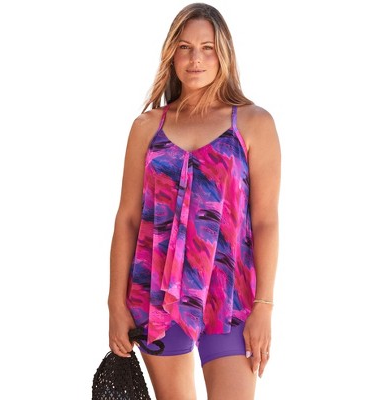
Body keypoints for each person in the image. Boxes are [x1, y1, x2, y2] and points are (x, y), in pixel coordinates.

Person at [107, 3, 281, 399]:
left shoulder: (253, 123)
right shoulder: (147, 127)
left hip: (230, 297)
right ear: (172, 54)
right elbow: (128, 218)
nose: (195, 59)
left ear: (224, 53)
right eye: (185, 48)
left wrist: (265, 306)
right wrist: (115, 303)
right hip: (156, 293)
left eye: (207, 48)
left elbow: (265, 221)